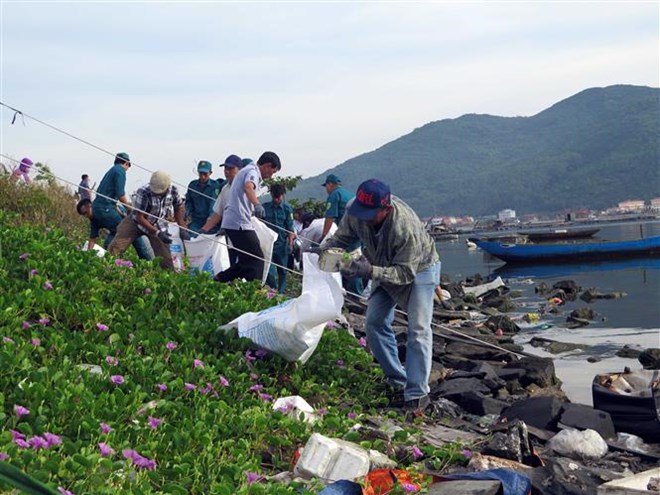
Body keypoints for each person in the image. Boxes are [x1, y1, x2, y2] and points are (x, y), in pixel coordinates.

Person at [319, 179, 441, 412]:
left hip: (420, 269)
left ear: (387, 209)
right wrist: (325, 248)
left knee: (418, 329)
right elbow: (342, 237)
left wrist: (369, 271)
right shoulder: (356, 211)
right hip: (381, 265)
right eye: (361, 212)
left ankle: (417, 395)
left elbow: (406, 273)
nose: (363, 217)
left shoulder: (405, 228)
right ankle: (397, 380)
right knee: (374, 322)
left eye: (370, 213)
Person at [214, 151, 281, 283]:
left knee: (247, 260)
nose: (271, 175)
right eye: (272, 172)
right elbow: (248, 187)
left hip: (234, 222)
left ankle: (220, 279)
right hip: (239, 223)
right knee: (257, 260)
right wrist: (257, 204)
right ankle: (252, 290)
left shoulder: (247, 170)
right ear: (267, 166)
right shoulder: (253, 172)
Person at [108, 171, 188, 270]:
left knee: (167, 260)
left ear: (167, 187)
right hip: (135, 222)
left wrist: (182, 227)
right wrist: (157, 233)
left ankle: (169, 276)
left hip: (158, 223)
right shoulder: (143, 192)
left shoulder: (173, 190)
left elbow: (178, 207)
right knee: (116, 247)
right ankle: (107, 268)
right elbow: (139, 217)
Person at [88, 153, 153, 260]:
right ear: (126, 163)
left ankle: (106, 255)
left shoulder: (111, 170)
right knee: (131, 230)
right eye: (128, 166)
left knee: (116, 231)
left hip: (99, 208)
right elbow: (121, 195)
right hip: (106, 208)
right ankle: (149, 261)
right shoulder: (120, 171)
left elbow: (112, 198)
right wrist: (129, 209)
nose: (127, 169)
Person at [321, 173, 363, 295]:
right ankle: (355, 292)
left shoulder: (334, 195)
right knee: (356, 260)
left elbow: (329, 217)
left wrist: (324, 237)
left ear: (330, 184)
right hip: (359, 233)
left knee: (349, 261)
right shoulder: (350, 195)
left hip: (347, 235)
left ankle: (353, 294)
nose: (326, 190)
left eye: (326, 186)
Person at [76, 198, 152, 257]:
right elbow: (92, 239)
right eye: (83, 215)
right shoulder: (94, 220)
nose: (86, 216)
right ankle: (115, 265)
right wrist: (88, 254)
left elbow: (114, 202)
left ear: (90, 206)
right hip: (115, 232)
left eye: (86, 212)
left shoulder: (101, 207)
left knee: (142, 249)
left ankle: (151, 267)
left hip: (130, 228)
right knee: (108, 246)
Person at [199, 154, 243, 236]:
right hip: (229, 232)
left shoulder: (244, 188)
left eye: (230, 168)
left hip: (244, 231)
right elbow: (218, 213)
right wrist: (204, 230)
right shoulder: (225, 189)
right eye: (225, 168)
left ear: (240, 170)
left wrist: (228, 227)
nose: (227, 171)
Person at [263, 183, 295, 293]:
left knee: (282, 270)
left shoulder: (287, 209)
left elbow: (290, 228)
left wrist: (291, 243)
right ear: (271, 195)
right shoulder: (264, 208)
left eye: (278, 197)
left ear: (282, 195)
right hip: (268, 244)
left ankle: (281, 293)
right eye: (274, 197)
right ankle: (273, 288)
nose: (276, 199)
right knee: (268, 270)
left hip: (282, 244)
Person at [185, 160, 223, 236]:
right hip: (196, 222)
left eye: (205, 174)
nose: (202, 176)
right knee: (192, 237)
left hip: (210, 221)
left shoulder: (215, 186)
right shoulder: (192, 185)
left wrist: (210, 220)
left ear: (210, 173)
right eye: (200, 173)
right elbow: (188, 202)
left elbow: (213, 204)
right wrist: (187, 213)